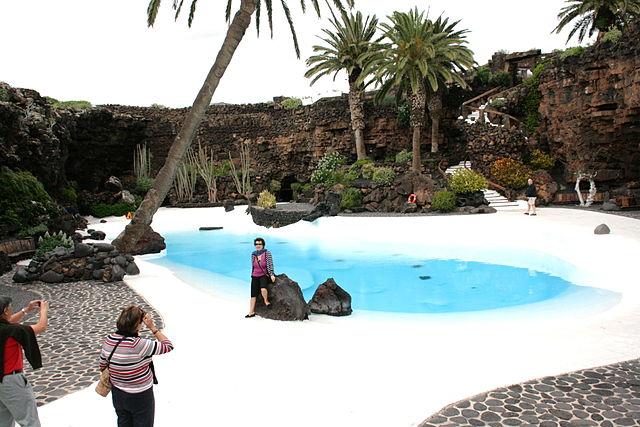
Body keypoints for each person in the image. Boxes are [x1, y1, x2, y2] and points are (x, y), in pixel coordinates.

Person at [99, 306, 174, 427]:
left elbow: (102, 365)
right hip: (140, 395)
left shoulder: (109, 340)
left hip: (118, 393)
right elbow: (168, 345)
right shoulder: (138, 344)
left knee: (123, 423)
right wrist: (152, 327)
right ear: (137, 324)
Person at [0, 296, 48, 427]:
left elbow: (8, 321)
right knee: (29, 422)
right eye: (10, 308)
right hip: (11, 381)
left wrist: (26, 310)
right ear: (5, 311)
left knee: (3, 423)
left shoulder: (7, 329)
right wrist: (43, 311)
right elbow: (41, 327)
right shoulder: (12, 331)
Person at [246, 237, 275, 318]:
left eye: (260, 244)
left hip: (263, 274)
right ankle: (251, 312)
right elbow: (253, 266)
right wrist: (252, 274)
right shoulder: (253, 254)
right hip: (254, 275)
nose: (258, 245)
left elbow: (270, 264)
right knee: (253, 295)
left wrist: (272, 274)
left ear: (263, 245)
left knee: (263, 289)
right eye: (256, 244)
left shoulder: (267, 253)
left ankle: (266, 301)